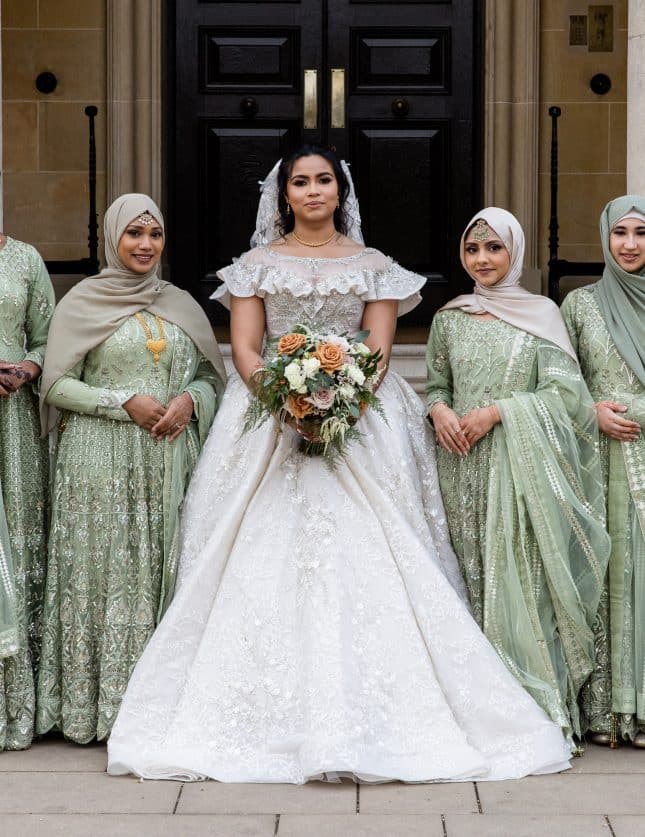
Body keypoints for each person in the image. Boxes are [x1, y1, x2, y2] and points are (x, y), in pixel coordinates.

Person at [108, 148, 572, 783]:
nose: (313, 190)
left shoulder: (375, 267)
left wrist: (344, 401)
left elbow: (379, 349)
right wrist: (283, 399)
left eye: (324, 180)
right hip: (268, 418)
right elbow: (245, 346)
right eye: (301, 182)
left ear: (340, 190)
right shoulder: (255, 266)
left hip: (363, 415)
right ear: (285, 196)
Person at [35, 194, 226, 743]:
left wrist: (190, 399)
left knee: (166, 572)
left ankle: (160, 711)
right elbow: (54, 385)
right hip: (98, 463)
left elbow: (213, 379)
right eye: (134, 235)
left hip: (169, 458)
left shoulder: (182, 303)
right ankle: (99, 711)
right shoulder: (81, 302)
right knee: (104, 579)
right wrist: (122, 402)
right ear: (114, 238)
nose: (145, 245)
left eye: (155, 235)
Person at [425, 207, 610, 747]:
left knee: (520, 582)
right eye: (472, 249)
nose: (482, 259)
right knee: (472, 576)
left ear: (514, 253)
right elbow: (437, 385)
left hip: (521, 469)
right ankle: (478, 713)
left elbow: (568, 396)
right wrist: (438, 412)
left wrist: (498, 412)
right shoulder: (449, 317)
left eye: (493, 249)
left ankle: (534, 713)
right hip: (460, 469)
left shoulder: (542, 315)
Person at [561, 195, 645, 747]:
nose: (631, 245)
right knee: (609, 572)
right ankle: (611, 712)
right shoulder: (578, 305)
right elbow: (558, 381)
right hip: (598, 461)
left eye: (642, 233)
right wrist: (590, 410)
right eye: (620, 233)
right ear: (604, 238)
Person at [0, 234, 54, 749]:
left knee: (16, 537)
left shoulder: (24, 257)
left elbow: (45, 338)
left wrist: (25, 369)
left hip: (11, 417)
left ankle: (19, 701)